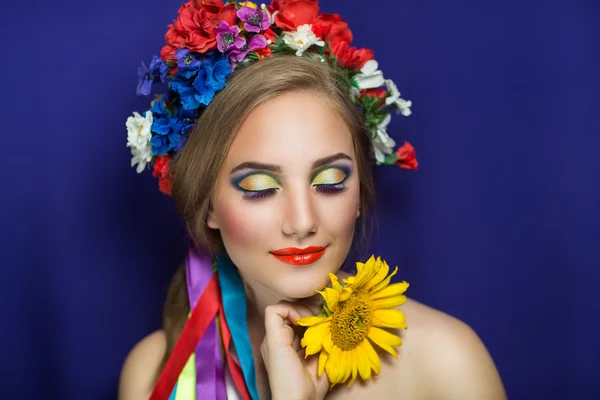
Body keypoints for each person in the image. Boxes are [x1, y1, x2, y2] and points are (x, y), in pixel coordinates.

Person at [119, 1, 507, 399]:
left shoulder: (445, 362)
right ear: (209, 206)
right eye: (258, 187)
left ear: (359, 190)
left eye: (331, 180)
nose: (302, 221)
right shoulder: (151, 375)